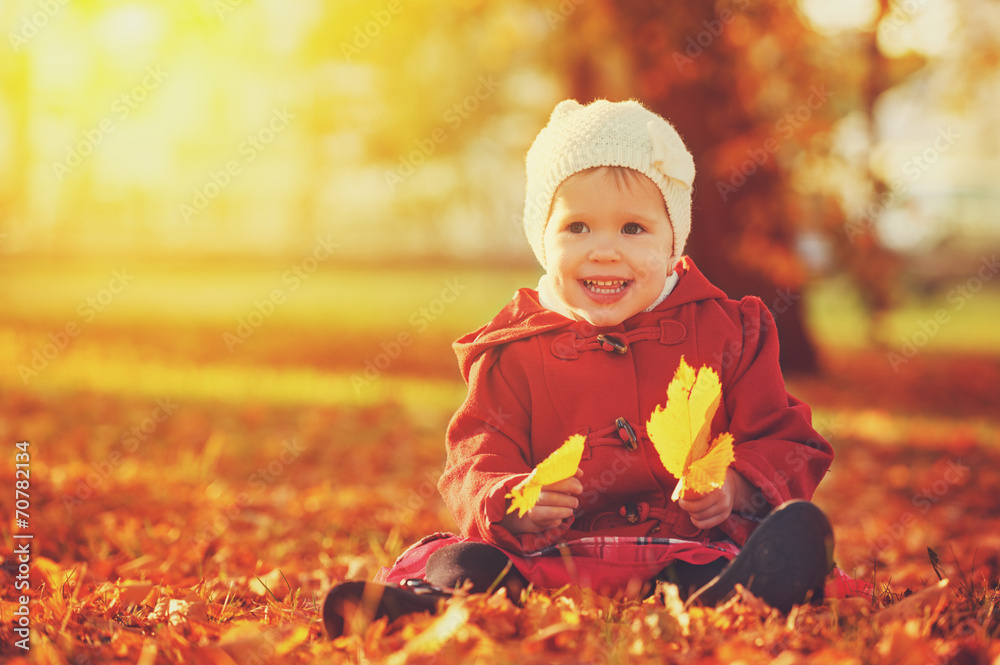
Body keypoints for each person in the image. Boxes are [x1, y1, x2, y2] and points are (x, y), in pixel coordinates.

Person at [324, 99, 862, 639]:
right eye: (577, 228)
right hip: (550, 556)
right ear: (543, 239)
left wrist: (736, 485)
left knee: (714, 564)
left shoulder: (728, 332)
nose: (604, 251)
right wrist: (513, 499)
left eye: (633, 229)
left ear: (673, 242)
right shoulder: (515, 348)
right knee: (466, 562)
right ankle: (427, 605)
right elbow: (476, 453)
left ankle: (739, 591)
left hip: (685, 549)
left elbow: (786, 438)